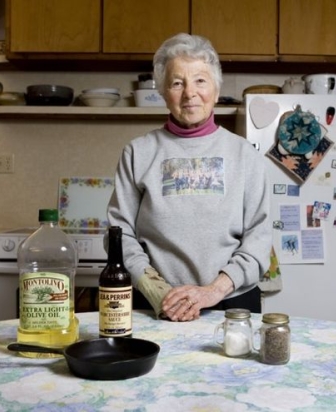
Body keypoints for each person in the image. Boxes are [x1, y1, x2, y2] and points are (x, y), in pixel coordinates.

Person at [107, 33, 273, 322]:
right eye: (176, 83)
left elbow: (259, 237)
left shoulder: (245, 154)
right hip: (154, 303)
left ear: (216, 90)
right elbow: (118, 233)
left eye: (200, 80)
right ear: (162, 91)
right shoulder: (137, 152)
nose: (189, 93)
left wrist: (213, 290)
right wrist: (154, 289)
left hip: (232, 303)